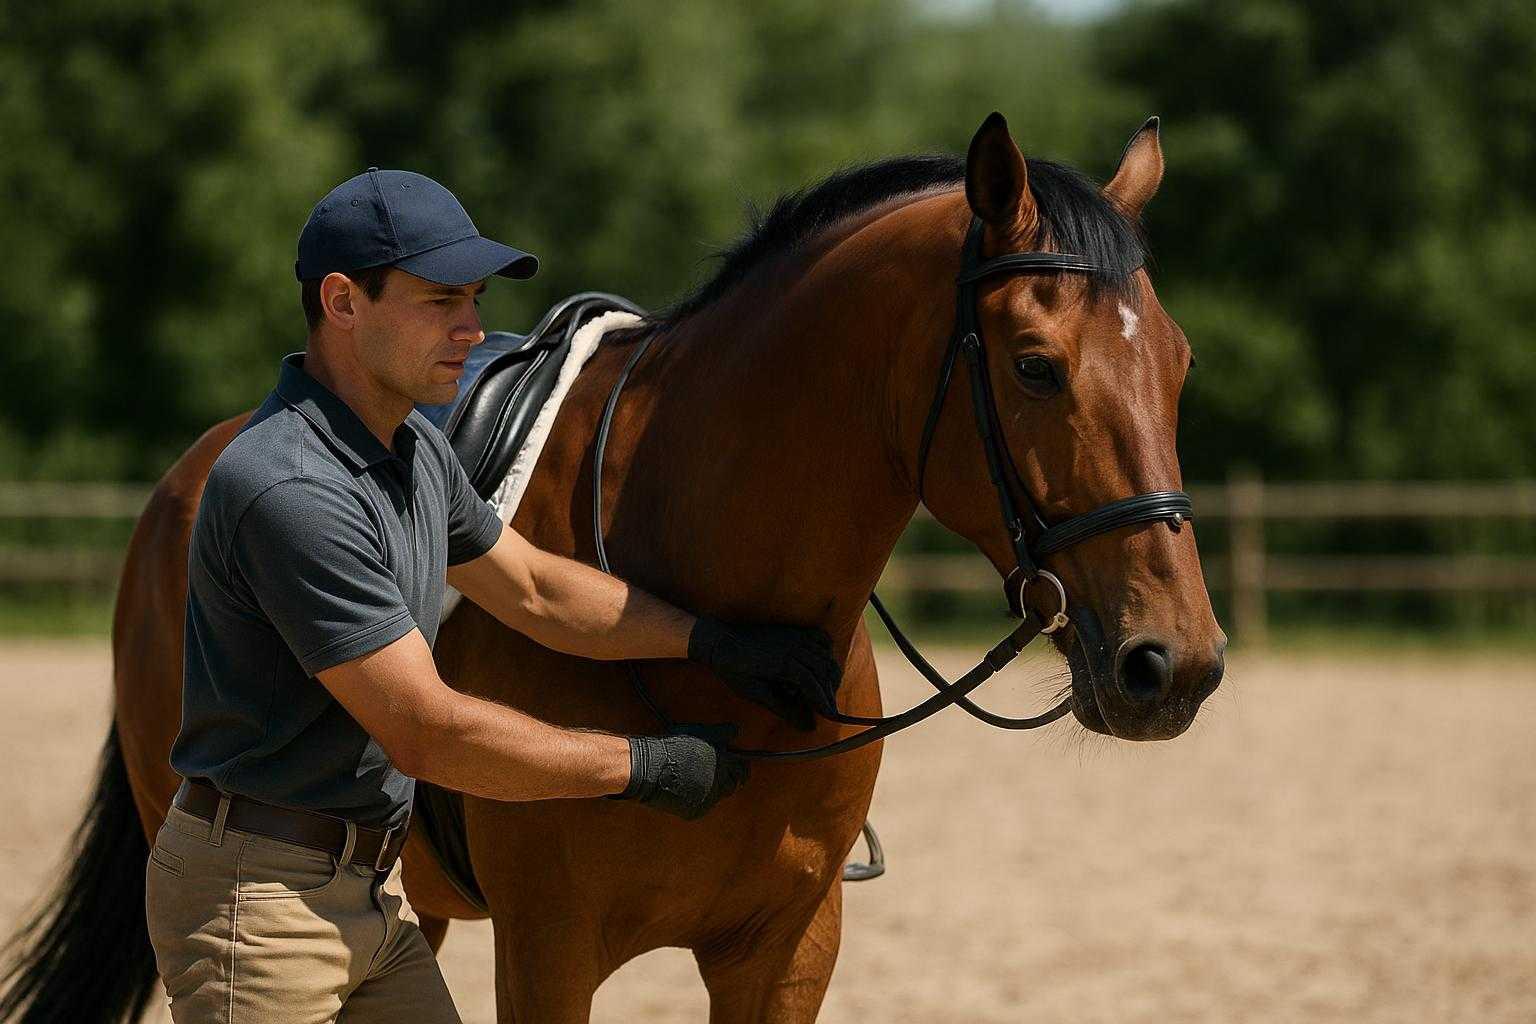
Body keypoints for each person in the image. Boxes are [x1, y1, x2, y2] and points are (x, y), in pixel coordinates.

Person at [142, 168, 841, 1023]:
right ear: (343, 301)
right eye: (442, 300)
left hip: (367, 894)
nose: (474, 329)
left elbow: (536, 589)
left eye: (474, 300)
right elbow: (426, 731)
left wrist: (709, 641)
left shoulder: (414, 449)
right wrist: (641, 766)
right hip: (260, 908)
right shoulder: (292, 488)